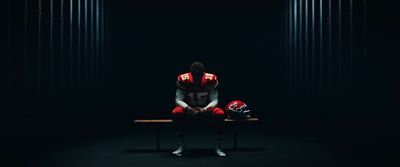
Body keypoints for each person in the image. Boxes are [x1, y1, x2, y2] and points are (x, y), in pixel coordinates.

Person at [171, 61, 226, 157]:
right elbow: (178, 100)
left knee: (220, 113)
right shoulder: (183, 79)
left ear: (203, 74)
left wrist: (205, 109)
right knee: (176, 112)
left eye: (199, 76)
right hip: (189, 109)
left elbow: (215, 100)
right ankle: (181, 146)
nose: (197, 80)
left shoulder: (211, 79)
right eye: (195, 77)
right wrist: (189, 109)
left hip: (206, 108)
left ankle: (218, 147)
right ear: (191, 74)